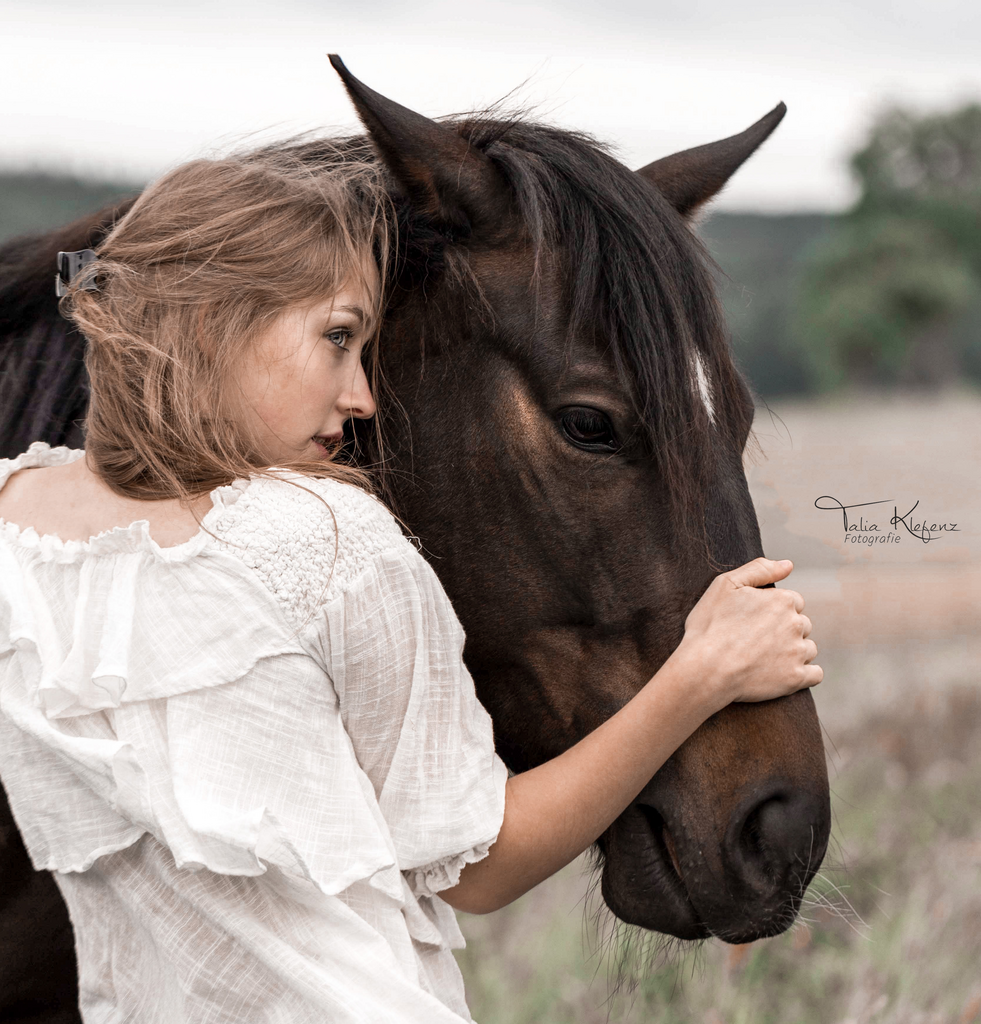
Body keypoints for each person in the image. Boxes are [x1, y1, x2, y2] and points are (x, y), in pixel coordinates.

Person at [0, 148, 822, 1024]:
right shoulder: (331, 540)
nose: (362, 397)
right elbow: (477, 864)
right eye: (339, 338)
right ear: (213, 329)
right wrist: (696, 680)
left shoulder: (22, 521)